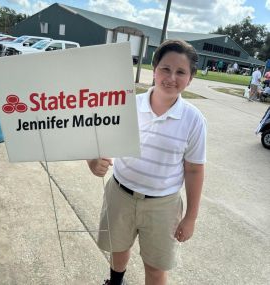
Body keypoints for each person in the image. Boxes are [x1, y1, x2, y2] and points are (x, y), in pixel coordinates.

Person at [87, 39, 207, 285]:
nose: (171, 77)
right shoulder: (127, 104)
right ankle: (115, 282)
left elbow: (194, 170)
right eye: (165, 68)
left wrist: (191, 217)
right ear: (154, 69)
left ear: (190, 78)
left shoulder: (194, 120)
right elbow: (100, 139)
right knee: (118, 249)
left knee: (155, 267)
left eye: (181, 72)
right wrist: (92, 160)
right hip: (120, 194)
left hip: (163, 205)